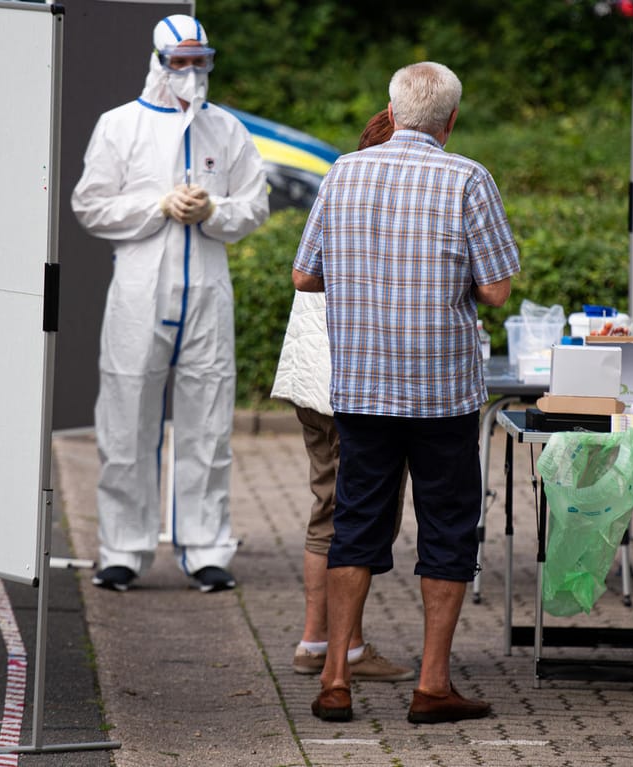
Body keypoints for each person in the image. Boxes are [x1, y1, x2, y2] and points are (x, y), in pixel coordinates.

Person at [292, 61, 519, 724]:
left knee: (355, 523)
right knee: (447, 528)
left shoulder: (342, 172)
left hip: (362, 387)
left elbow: (305, 275)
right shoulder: (467, 177)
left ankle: (335, 676)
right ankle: (432, 683)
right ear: (450, 120)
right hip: (442, 392)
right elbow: (497, 288)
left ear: (390, 115)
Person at [71, 14, 269, 594]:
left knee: (207, 422)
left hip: (207, 292)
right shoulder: (119, 126)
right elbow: (91, 205)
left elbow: (253, 205)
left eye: (199, 61)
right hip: (139, 291)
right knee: (127, 419)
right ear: (157, 61)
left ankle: (206, 547)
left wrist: (215, 212)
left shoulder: (226, 130)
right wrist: (158, 206)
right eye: (179, 62)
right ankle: (123, 550)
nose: (190, 73)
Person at [271, 109, 414, 683]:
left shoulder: (342, 185)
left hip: (316, 375)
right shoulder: (376, 193)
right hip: (344, 380)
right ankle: (339, 647)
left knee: (331, 506)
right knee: (349, 513)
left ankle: (320, 642)